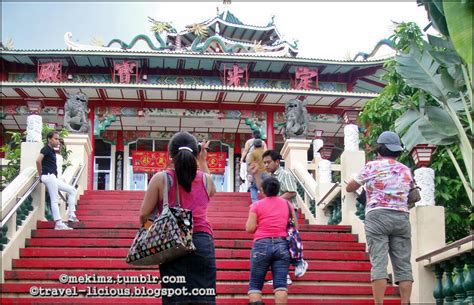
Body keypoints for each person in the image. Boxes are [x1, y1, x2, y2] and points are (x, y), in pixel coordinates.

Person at [139, 131, 217, 305]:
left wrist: (150, 231)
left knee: (175, 297)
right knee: (204, 298)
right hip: (202, 240)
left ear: (169, 155)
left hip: (172, 240)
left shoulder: (161, 178)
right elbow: (210, 191)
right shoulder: (207, 180)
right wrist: (203, 161)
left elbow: (145, 214)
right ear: (196, 154)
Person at [346, 131, 413, 305]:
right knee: (403, 264)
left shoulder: (372, 166)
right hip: (401, 216)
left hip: (377, 216)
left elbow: (351, 187)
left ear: (380, 148)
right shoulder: (405, 170)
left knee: (379, 263)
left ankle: (379, 303)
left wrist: (356, 181)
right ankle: (405, 302)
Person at [250, 150, 308, 278]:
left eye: (268, 162)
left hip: (288, 213)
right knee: (280, 242)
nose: (266, 165)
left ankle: (298, 263)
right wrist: (257, 174)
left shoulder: (285, 174)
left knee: (289, 240)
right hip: (277, 214)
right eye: (264, 163)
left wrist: (275, 202)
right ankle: (284, 274)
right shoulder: (270, 177)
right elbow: (262, 190)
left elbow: (292, 192)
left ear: (277, 162)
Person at [246, 177, 295, 305]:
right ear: (278, 190)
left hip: (261, 245)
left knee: (256, 284)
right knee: (280, 284)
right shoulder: (288, 204)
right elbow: (295, 228)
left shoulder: (256, 205)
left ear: (262, 190)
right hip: (282, 245)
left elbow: (249, 228)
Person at [36, 131, 78, 230]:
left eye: (58, 139)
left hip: (52, 177)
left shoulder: (51, 150)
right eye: (55, 139)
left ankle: (72, 214)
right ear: (49, 139)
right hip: (48, 176)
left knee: (72, 190)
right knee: (54, 200)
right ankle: (58, 223)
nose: (57, 141)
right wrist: (40, 174)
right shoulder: (46, 149)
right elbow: (38, 160)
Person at [247, 139, 268, 203]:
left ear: (254, 146)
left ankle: (254, 201)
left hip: (258, 174)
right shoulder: (266, 153)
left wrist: (249, 171)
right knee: (267, 187)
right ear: (262, 145)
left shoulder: (253, 153)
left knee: (253, 188)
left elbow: (251, 164)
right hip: (266, 173)